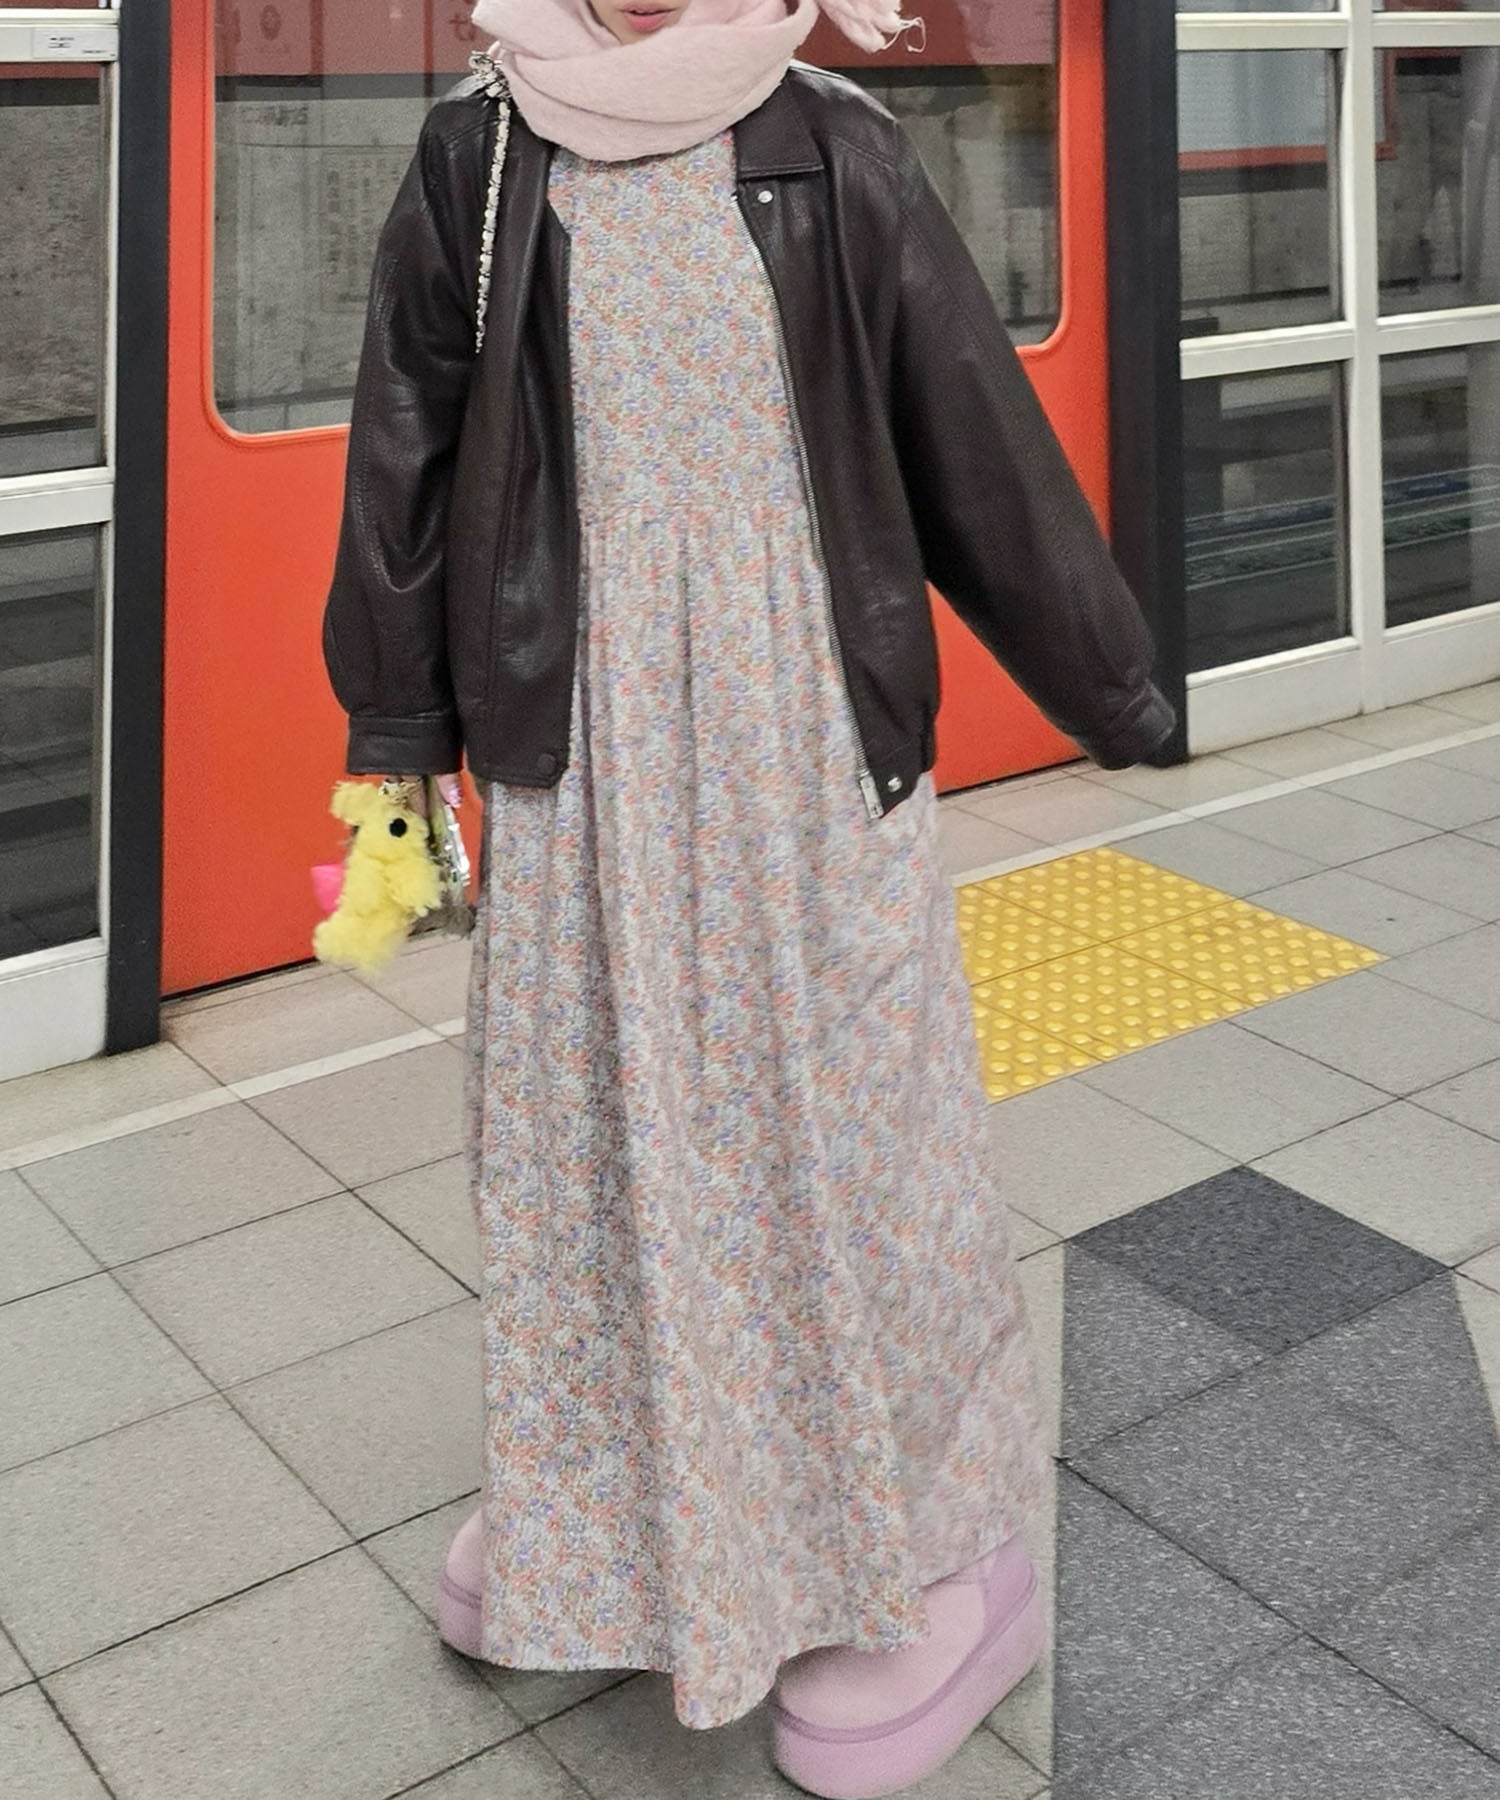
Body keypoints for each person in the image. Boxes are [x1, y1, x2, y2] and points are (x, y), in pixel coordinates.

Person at [321, 1, 1174, 1793]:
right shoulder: (481, 153)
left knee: (854, 1138)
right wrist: (396, 732)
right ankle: (601, 1513)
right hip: (579, 751)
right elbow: (403, 457)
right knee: (586, 1136)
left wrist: (1112, 684)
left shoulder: (833, 146)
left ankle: (947, 1557)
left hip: (802, 739)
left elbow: (972, 433)